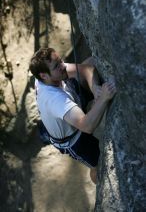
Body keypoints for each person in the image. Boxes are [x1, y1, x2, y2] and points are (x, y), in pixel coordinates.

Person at [29, 47, 116, 184]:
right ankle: (100, 185)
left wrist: (94, 88)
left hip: (70, 101)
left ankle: (48, 127)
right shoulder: (55, 100)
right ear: (44, 75)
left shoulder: (47, 77)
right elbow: (87, 126)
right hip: (74, 139)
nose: (63, 66)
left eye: (60, 60)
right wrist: (103, 98)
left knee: (92, 61)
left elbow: (85, 68)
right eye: (57, 66)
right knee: (99, 167)